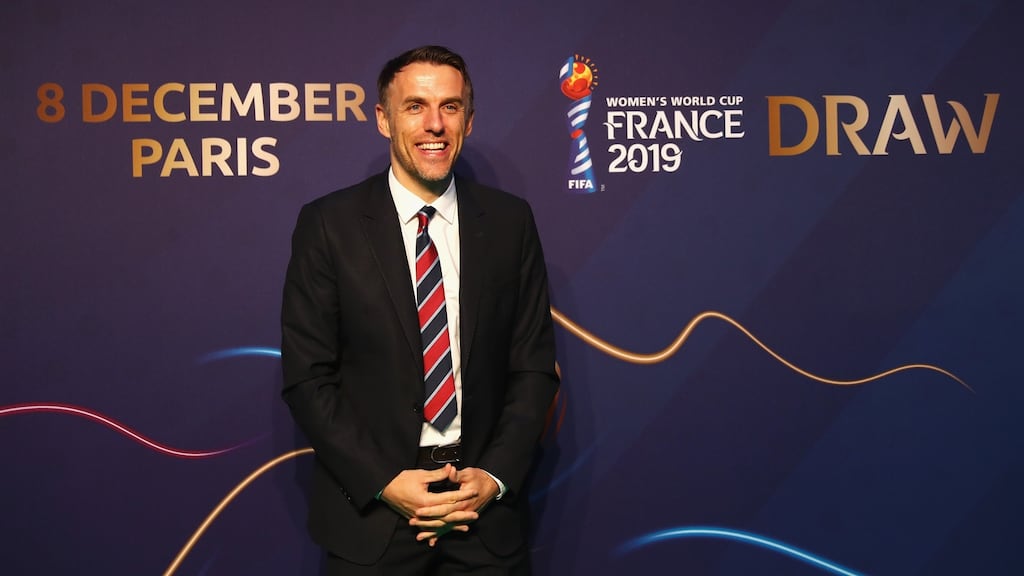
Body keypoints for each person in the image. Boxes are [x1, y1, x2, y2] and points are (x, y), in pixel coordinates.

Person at [281, 45, 559, 575]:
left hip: (482, 521)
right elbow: (308, 378)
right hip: (373, 523)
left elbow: (533, 368)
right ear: (383, 119)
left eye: (450, 107)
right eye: (415, 106)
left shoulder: (510, 223)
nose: (435, 124)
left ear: (468, 121)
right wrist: (386, 482)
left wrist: (493, 478)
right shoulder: (329, 226)